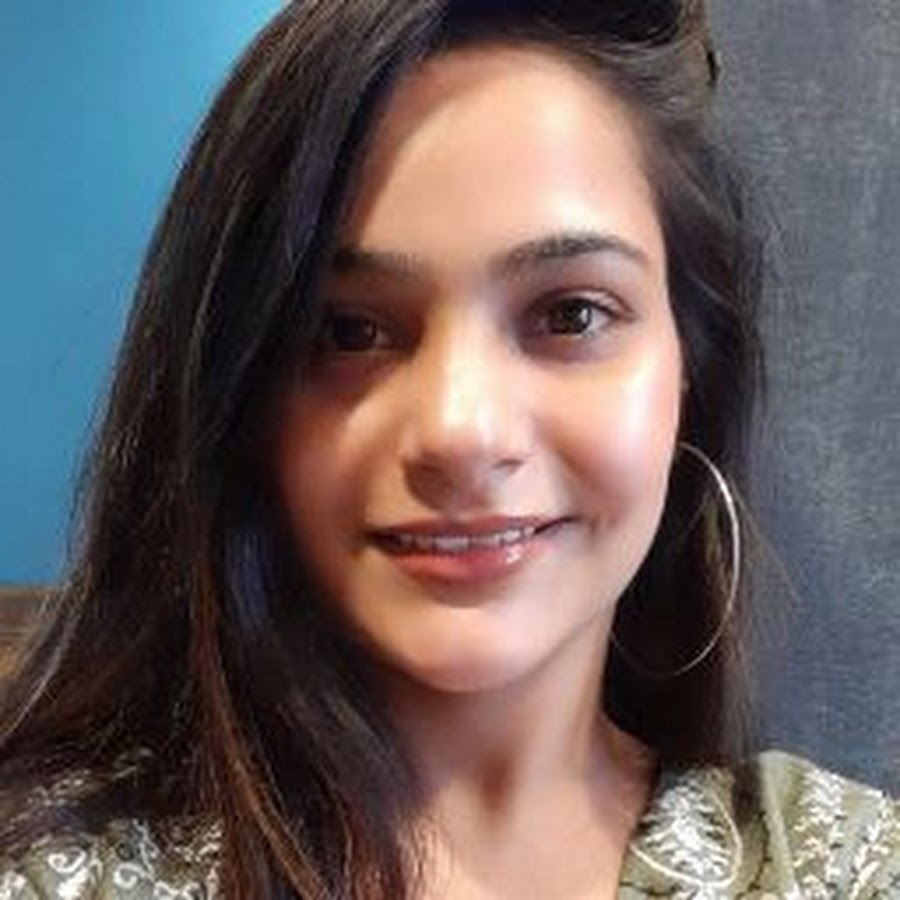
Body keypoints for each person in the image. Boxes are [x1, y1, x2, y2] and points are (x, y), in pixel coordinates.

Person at [1, 1, 898, 897]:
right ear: (239, 396)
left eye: (570, 315)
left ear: (690, 368)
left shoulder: (846, 869)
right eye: (349, 331)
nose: (461, 433)